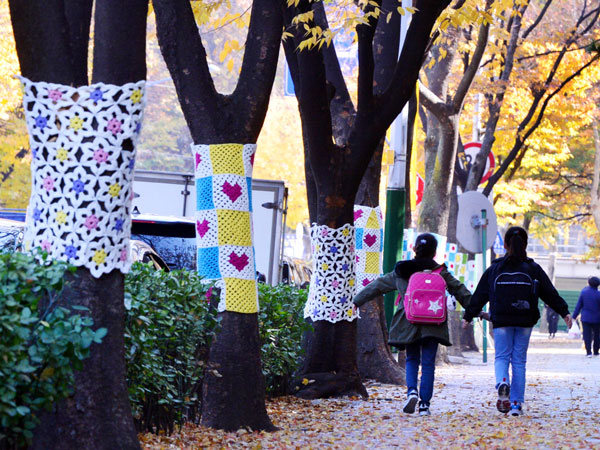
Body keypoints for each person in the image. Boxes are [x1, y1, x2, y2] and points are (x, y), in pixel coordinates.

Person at [353, 233, 472, 417]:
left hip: (409, 321)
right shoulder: (441, 272)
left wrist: (356, 301)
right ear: (434, 252)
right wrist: (473, 310)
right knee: (428, 364)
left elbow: (377, 286)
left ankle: (412, 392)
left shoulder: (402, 271)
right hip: (434, 324)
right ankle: (425, 405)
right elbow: (459, 290)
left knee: (411, 360)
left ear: (415, 249)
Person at [462, 226, 572, 417]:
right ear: (526, 244)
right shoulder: (533, 268)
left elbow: (480, 294)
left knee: (502, 357)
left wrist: (468, 316)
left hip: (502, 320)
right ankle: (515, 405)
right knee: (519, 361)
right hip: (525, 320)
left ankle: (503, 382)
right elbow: (549, 293)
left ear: (504, 245)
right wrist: (565, 312)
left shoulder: (495, 268)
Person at [573, 276, 600, 357]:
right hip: (597, 318)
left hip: (585, 318)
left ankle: (588, 352)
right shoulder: (599, 294)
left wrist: (574, 316)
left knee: (586, 335)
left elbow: (579, 305)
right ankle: (596, 351)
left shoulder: (584, 292)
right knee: (597, 334)